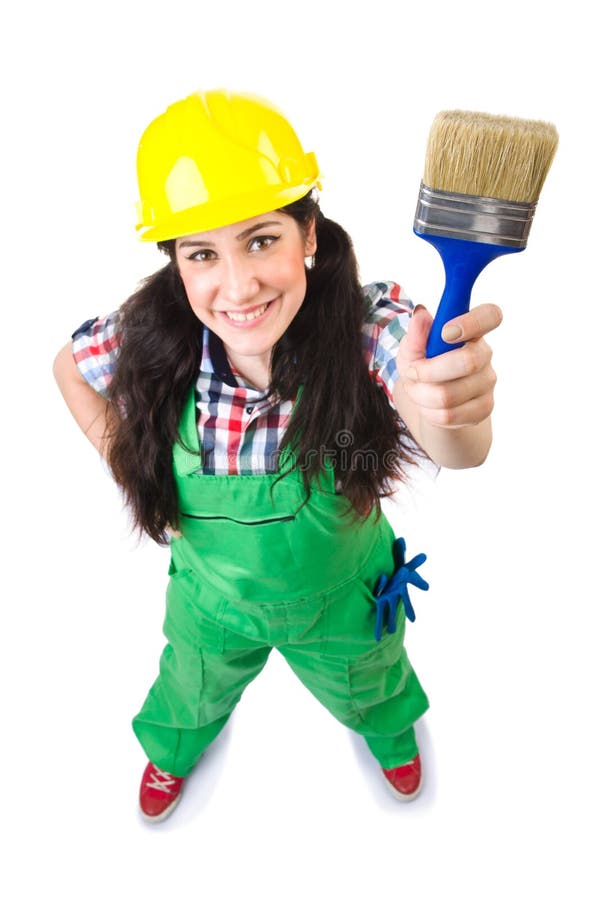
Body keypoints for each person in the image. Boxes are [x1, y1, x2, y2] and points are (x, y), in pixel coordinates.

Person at [53, 90, 501, 823]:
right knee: (189, 689)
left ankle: (389, 732)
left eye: (262, 240)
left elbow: (453, 437)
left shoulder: (368, 326)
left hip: (346, 602)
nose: (238, 286)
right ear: (177, 264)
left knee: (373, 681)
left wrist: (454, 407)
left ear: (308, 234)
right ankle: (174, 750)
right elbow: (69, 369)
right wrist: (132, 468)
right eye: (203, 253)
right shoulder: (149, 335)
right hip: (210, 604)